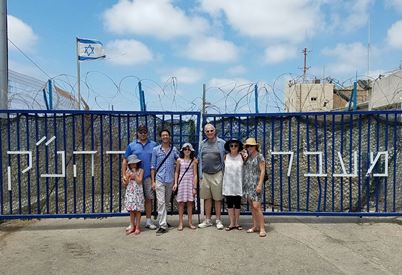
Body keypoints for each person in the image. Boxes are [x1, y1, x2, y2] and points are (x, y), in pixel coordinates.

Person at [122, 124, 157, 231]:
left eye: (145, 131)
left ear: (147, 132)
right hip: (133, 178)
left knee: (148, 199)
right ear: (137, 133)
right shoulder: (131, 145)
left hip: (147, 176)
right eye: (141, 132)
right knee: (133, 200)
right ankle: (132, 223)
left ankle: (148, 221)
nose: (143, 134)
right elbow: (125, 160)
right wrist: (124, 175)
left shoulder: (154, 144)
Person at [151, 129, 179, 235]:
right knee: (161, 202)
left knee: (166, 202)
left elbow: (179, 161)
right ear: (160, 137)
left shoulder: (174, 149)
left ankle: (164, 220)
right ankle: (162, 225)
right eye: (163, 135)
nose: (165, 137)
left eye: (167, 135)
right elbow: (153, 166)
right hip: (159, 179)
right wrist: (153, 181)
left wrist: (192, 160)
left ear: (170, 136)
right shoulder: (156, 150)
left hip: (170, 179)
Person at [198, 123, 226, 230]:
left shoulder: (221, 143)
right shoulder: (202, 144)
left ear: (215, 131)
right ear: (205, 133)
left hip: (217, 173)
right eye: (207, 131)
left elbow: (228, 155)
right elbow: (199, 158)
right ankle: (208, 220)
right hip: (205, 174)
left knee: (218, 198)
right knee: (207, 198)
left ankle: (218, 220)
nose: (209, 133)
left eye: (211, 130)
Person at [242, 138, 267, 237]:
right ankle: (255, 226)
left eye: (251, 146)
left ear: (256, 146)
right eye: (247, 146)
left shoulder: (259, 156)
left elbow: (262, 171)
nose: (249, 147)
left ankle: (262, 228)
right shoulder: (248, 157)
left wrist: (260, 184)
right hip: (248, 184)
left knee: (257, 206)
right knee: (252, 207)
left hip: (256, 184)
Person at [173, 143, 198, 231]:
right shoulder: (179, 160)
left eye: (188, 149)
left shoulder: (194, 161)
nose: (187, 151)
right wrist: (175, 183)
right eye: (185, 149)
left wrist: (194, 187)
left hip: (190, 183)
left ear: (191, 151)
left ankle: (190, 222)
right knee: (181, 203)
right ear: (182, 150)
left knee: (190, 203)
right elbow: (176, 172)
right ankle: (180, 223)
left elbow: (195, 175)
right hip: (182, 183)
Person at [222, 138, 244, 231]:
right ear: (229, 147)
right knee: (230, 204)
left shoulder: (242, 156)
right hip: (228, 184)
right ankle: (231, 223)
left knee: (238, 204)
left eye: (236, 145)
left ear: (239, 147)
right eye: (231, 145)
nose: (233, 147)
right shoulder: (225, 157)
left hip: (238, 184)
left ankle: (237, 223)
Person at [123, 154, 144, 235]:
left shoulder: (141, 170)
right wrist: (127, 177)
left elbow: (139, 181)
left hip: (138, 193)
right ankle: (132, 226)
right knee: (131, 211)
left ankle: (137, 227)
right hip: (130, 193)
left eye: (134, 163)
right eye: (131, 163)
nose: (133, 165)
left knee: (138, 211)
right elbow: (125, 183)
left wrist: (135, 175)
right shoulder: (127, 171)